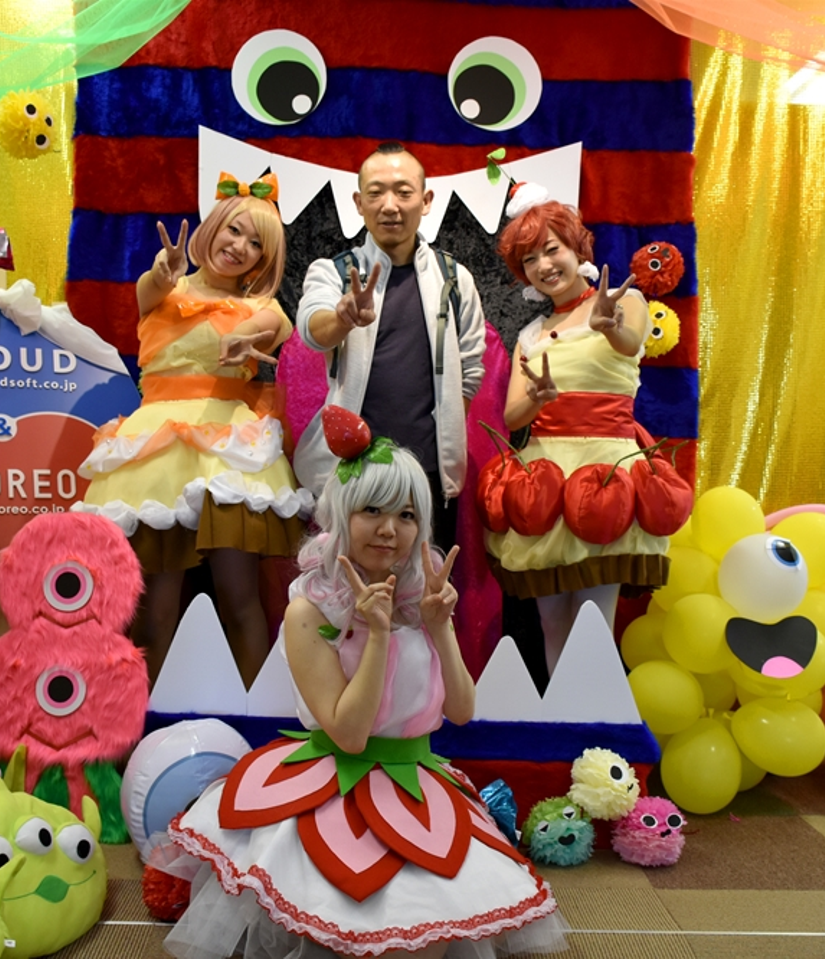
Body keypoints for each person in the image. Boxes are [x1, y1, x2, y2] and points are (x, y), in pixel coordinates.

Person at [165, 412, 568, 959]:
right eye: (372, 510)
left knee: (426, 941)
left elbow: (462, 710)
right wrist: (376, 635)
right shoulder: (309, 611)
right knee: (366, 936)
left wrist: (439, 627)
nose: (389, 529)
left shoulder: (421, 597)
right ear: (340, 515)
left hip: (415, 784)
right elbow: (350, 734)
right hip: (337, 787)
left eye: (406, 515)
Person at [74, 174, 309, 688]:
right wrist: (164, 270)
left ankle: (254, 720)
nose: (240, 247)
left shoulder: (266, 308)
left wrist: (241, 337)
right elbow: (152, 285)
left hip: (229, 450)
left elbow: (266, 329)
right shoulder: (164, 290)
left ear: (264, 259)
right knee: (154, 607)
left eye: (256, 244)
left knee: (240, 597)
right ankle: (143, 716)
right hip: (155, 450)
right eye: (234, 231)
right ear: (214, 226)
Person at [487, 195, 670, 675]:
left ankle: (595, 714)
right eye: (529, 259)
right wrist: (538, 398)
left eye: (552, 249)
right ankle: (561, 714)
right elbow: (512, 416)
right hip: (545, 479)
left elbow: (630, 342)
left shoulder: (625, 300)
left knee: (594, 620)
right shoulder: (532, 334)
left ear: (576, 248)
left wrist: (608, 326)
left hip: (605, 474)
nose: (544, 265)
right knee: (552, 624)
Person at [294, 142, 486, 556]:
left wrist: (444, 431)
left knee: (427, 584)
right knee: (350, 585)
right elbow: (312, 328)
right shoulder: (334, 271)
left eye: (403, 192)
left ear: (426, 200)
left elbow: (471, 367)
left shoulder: (455, 278)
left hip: (430, 472)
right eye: (376, 193)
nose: (390, 205)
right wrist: (343, 317)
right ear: (358, 203)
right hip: (353, 468)